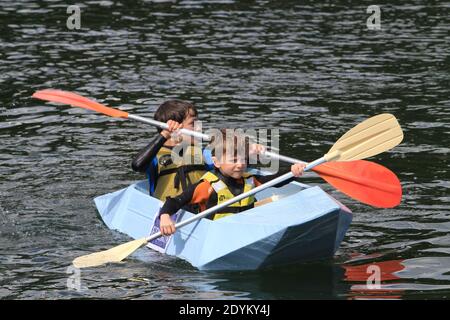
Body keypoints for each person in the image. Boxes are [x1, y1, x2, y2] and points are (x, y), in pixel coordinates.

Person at [158, 129, 306, 236]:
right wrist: (164, 216)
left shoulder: (250, 179)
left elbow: (274, 181)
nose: (241, 164)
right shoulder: (207, 186)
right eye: (234, 160)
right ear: (216, 162)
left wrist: (292, 172)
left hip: (246, 230)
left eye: (243, 159)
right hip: (217, 234)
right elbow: (176, 201)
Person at [131, 100, 213, 202]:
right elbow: (137, 165)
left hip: (201, 211)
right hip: (167, 213)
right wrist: (165, 134)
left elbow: (233, 163)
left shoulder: (203, 153)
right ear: (175, 128)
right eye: (193, 123)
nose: (199, 128)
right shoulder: (155, 157)